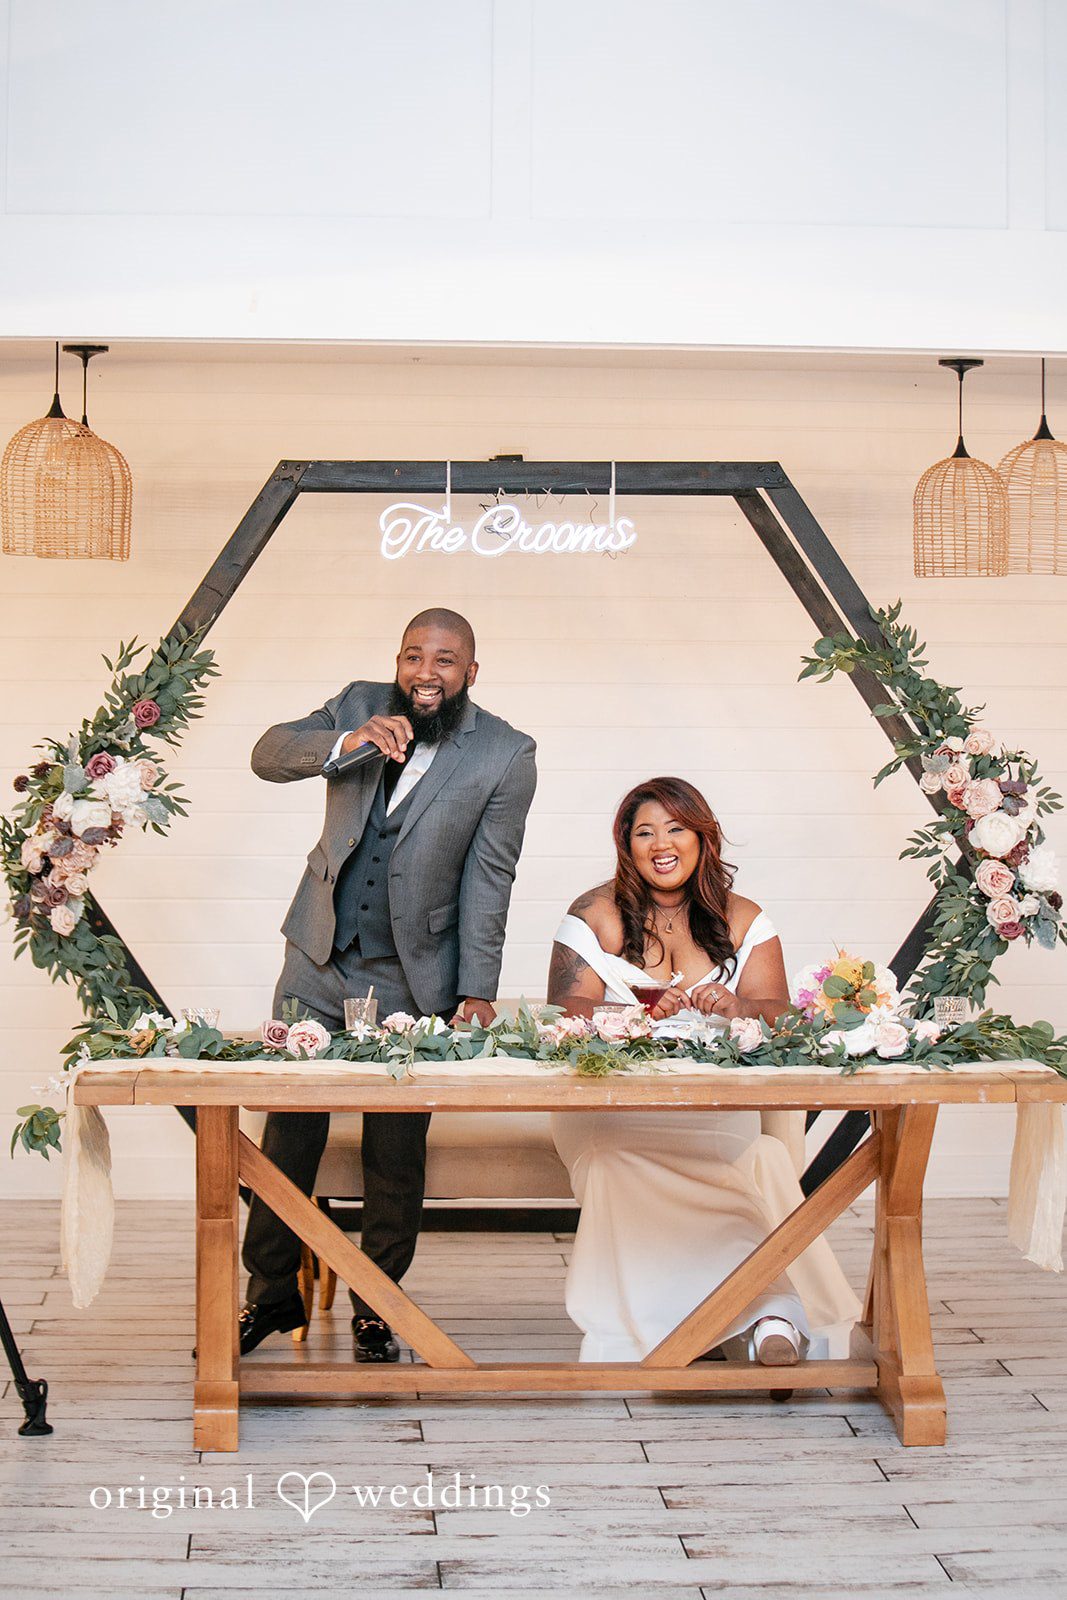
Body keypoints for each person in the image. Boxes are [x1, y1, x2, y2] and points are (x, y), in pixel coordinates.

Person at [240, 608, 537, 1360]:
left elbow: (489, 876)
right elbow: (268, 754)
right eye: (412, 656)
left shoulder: (504, 753)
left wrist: (476, 986)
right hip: (315, 955)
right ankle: (270, 1294)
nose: (424, 672)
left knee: (395, 1145)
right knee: (287, 1127)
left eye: (444, 659)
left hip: (413, 973)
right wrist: (350, 740)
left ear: (471, 671)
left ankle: (377, 1300)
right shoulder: (355, 703)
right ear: (396, 662)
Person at [547, 776, 859, 1366]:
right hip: (609, 1110)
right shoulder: (595, 912)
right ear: (626, 844)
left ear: (701, 837)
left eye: (675, 829)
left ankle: (757, 1314)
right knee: (615, 1164)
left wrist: (737, 1006)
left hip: (713, 1108)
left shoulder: (745, 919)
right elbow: (566, 1009)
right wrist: (634, 1012)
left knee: (737, 1164)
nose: (661, 844)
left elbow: (777, 1015)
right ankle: (763, 1314)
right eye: (644, 832)